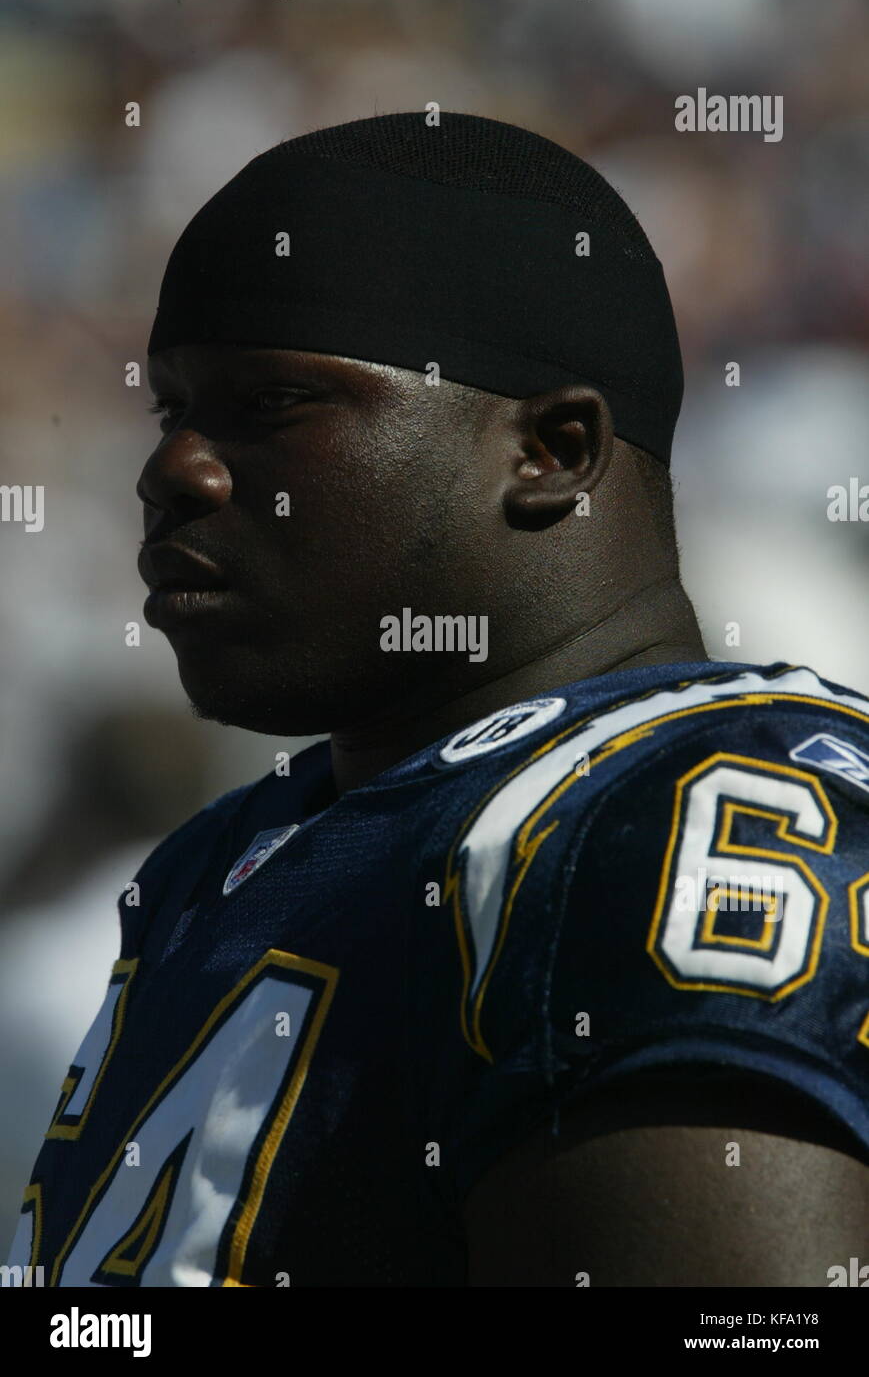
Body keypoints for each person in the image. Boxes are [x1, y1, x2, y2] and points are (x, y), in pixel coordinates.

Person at [9, 112, 868, 1287]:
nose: (175, 470)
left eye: (271, 406)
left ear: (550, 452)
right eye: (174, 409)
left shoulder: (659, 818)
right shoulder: (241, 847)